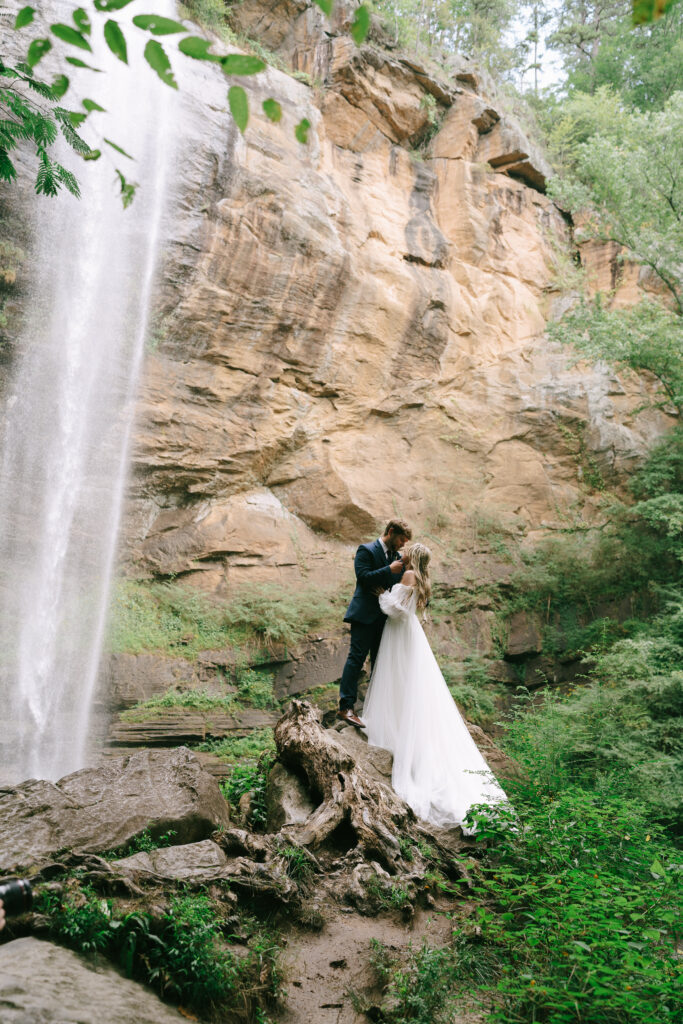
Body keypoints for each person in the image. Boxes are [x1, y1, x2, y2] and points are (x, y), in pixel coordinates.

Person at [362, 542, 507, 831]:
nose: (400, 552)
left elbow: (397, 610)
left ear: (411, 557)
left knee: (399, 678)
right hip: (409, 634)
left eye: (405, 550)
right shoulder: (419, 577)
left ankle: (396, 732)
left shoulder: (409, 575)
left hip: (400, 632)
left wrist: (382, 597)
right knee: (407, 681)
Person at [338, 519, 412, 728]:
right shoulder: (366, 550)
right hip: (364, 615)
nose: (402, 545)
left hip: (385, 618)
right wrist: (390, 569)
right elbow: (363, 578)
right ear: (390, 532)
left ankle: (376, 712)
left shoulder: (397, 557)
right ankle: (346, 708)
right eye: (400, 539)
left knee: (380, 664)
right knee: (356, 659)